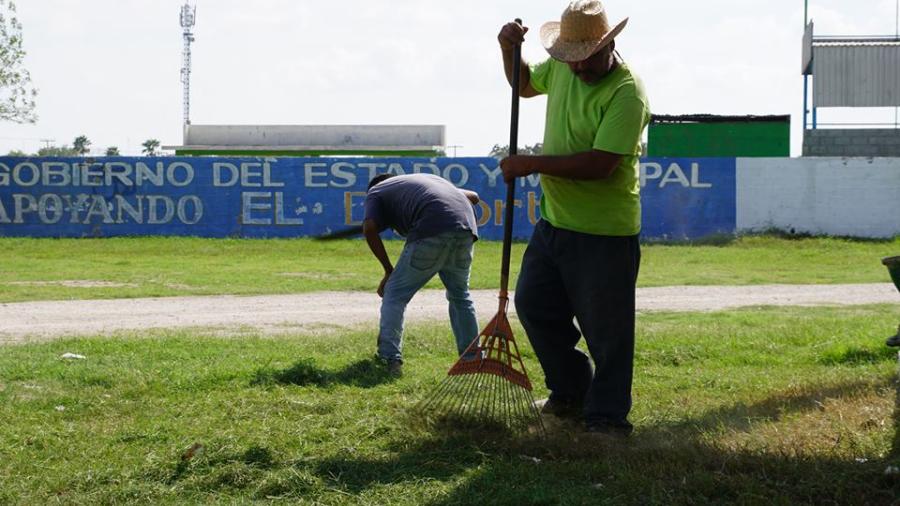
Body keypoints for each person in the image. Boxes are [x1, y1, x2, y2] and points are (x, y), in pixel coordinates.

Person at [497, 0, 651, 435]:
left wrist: (533, 164)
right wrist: (508, 50)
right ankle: (570, 391)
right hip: (554, 223)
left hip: (604, 232)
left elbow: (601, 164)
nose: (578, 70)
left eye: (586, 60)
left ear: (610, 45)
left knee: (608, 332)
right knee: (534, 306)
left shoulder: (627, 90)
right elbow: (523, 85)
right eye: (570, 60)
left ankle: (607, 419)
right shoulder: (565, 66)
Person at [362, 173, 481, 375]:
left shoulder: (376, 191)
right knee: (460, 296)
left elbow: (370, 227)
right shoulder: (420, 183)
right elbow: (474, 197)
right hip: (466, 230)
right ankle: (472, 359)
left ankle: (389, 359)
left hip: (431, 229)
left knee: (395, 295)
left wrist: (388, 270)